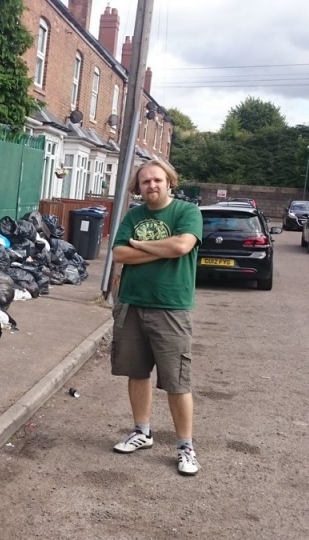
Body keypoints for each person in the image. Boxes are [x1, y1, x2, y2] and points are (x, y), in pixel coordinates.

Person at [110, 159, 203, 476]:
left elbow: (181, 246)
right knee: (137, 372)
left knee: (177, 381)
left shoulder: (187, 213)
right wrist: (155, 248)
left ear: (169, 182)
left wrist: (139, 243)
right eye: (146, 181)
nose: (151, 185)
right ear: (139, 188)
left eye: (157, 180)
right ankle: (142, 432)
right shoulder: (133, 215)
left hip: (171, 306)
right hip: (132, 304)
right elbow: (119, 254)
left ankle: (185, 447)